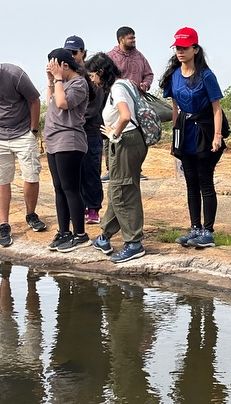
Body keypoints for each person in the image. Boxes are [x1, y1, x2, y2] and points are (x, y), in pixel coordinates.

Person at [159, 27, 229, 248]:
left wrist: (217, 136)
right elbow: (175, 107)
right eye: (177, 47)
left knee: (205, 182)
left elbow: (216, 107)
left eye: (184, 47)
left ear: (195, 49)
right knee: (190, 183)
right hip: (184, 131)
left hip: (205, 130)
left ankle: (208, 231)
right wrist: (175, 134)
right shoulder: (174, 76)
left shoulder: (206, 76)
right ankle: (195, 227)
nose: (180, 51)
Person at [86, 52, 148, 263]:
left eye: (92, 75)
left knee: (123, 191)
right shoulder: (126, 83)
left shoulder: (117, 88)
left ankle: (134, 243)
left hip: (126, 142)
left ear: (101, 72)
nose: (92, 80)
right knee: (119, 188)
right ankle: (105, 236)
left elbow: (125, 116)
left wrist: (114, 133)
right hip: (134, 141)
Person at [44, 48, 92, 252]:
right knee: (59, 188)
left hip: (69, 141)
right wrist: (51, 80)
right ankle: (64, 232)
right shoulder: (60, 84)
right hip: (53, 140)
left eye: (54, 66)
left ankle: (80, 234)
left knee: (70, 188)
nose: (53, 70)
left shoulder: (79, 83)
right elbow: (51, 102)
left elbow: (63, 103)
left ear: (64, 65)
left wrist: (57, 79)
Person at [0, 63, 46, 248]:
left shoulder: (15, 74)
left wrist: (33, 130)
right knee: (2, 180)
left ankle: (31, 215)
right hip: (0, 136)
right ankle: (3, 224)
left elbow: (34, 100)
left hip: (23, 132)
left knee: (31, 175)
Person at [103, 26, 154, 182]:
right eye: (130, 38)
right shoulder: (110, 57)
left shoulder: (139, 56)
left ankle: (135, 169)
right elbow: (104, 76)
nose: (133, 40)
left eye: (134, 37)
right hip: (117, 102)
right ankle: (112, 170)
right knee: (112, 133)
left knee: (137, 133)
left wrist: (145, 84)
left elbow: (149, 74)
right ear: (121, 39)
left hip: (136, 102)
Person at [64, 35, 105, 225]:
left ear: (83, 53)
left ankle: (94, 208)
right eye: (68, 53)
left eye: (74, 52)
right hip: (71, 132)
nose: (71, 56)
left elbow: (94, 105)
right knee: (74, 172)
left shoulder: (92, 75)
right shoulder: (63, 75)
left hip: (90, 130)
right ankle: (77, 208)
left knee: (91, 171)